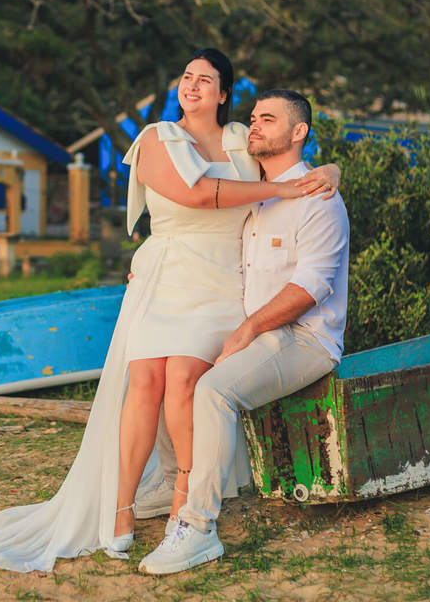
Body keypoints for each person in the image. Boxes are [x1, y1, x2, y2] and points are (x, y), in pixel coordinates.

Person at [0, 50, 339, 573]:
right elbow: (194, 194)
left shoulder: (241, 138)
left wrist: (328, 169)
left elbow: (293, 160)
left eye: (204, 79)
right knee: (144, 381)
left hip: (220, 280)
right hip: (168, 273)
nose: (191, 85)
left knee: (186, 379)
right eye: (185, 76)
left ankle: (183, 508)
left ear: (222, 93)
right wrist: (283, 187)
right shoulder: (157, 138)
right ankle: (120, 511)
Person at [137, 88, 350, 575]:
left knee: (212, 390)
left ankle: (199, 527)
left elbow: (310, 288)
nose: (254, 125)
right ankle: (173, 486)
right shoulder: (259, 194)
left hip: (305, 340)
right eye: (253, 117)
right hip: (255, 335)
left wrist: (248, 330)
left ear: (299, 133)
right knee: (180, 368)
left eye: (268, 119)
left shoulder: (319, 199)